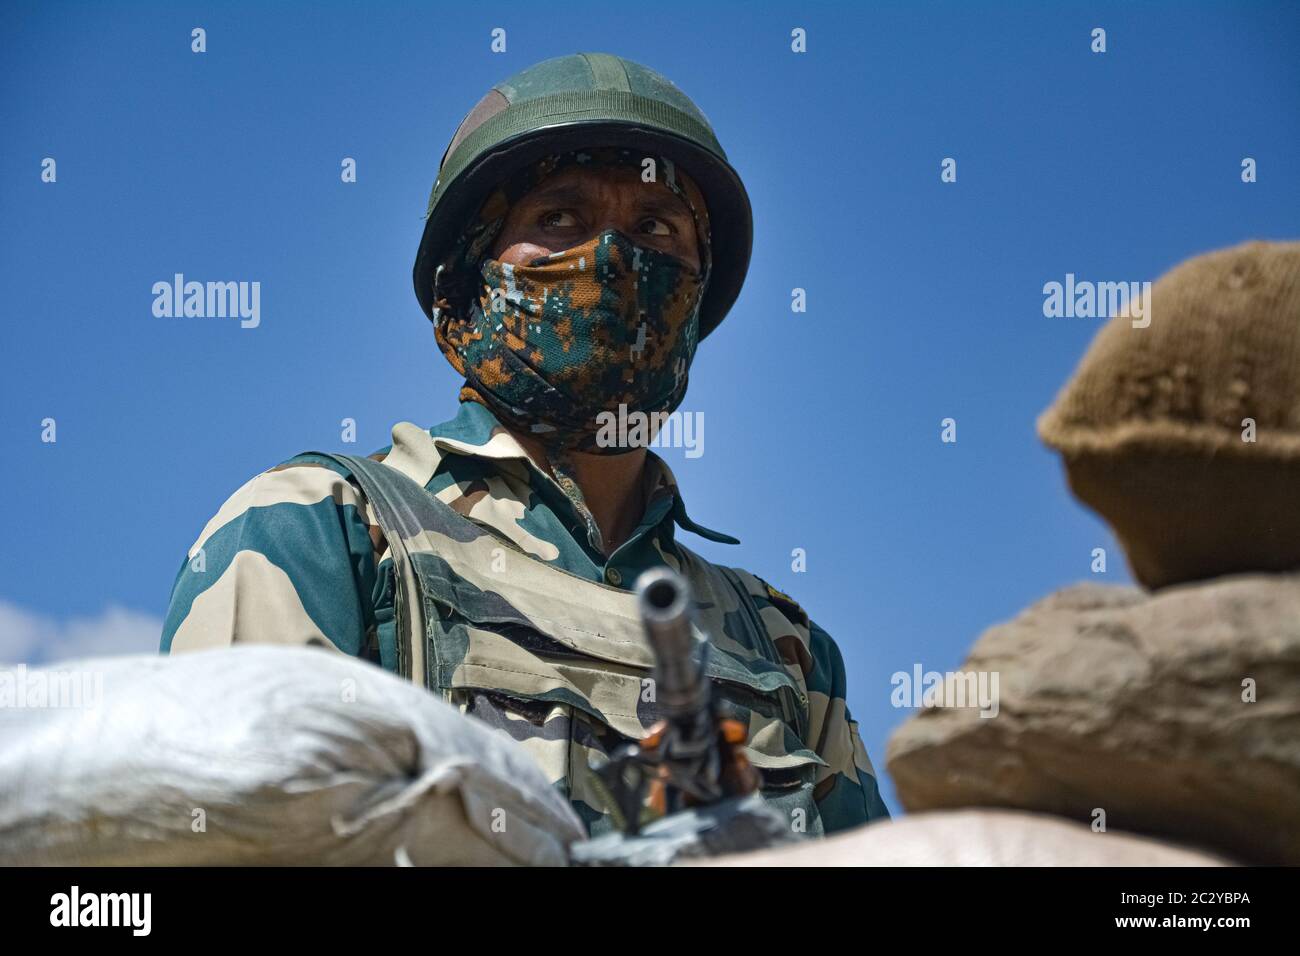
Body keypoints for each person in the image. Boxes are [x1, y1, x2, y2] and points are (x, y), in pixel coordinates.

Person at [161, 52, 889, 836]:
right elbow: (225, 840)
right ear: (465, 286)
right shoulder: (323, 533)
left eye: (654, 227)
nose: (612, 261)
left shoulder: (784, 647)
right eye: (559, 219)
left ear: (695, 300)